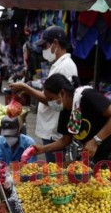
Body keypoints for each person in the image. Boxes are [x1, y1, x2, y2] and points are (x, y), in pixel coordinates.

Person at [32, 74, 111, 178]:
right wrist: (43, 149)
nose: (50, 103)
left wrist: (95, 141)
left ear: (62, 93)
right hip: (103, 154)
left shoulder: (87, 96)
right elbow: (65, 141)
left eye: (51, 99)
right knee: (104, 189)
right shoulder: (65, 111)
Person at [10, 26, 78, 163]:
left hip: (54, 130)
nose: (43, 50)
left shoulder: (65, 66)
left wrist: (26, 88)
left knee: (54, 171)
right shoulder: (58, 65)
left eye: (45, 46)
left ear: (55, 44)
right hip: (50, 128)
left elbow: (54, 101)